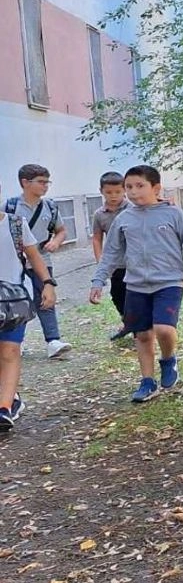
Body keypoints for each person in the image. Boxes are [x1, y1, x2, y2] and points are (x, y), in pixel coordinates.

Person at [90, 166, 183, 402]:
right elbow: (110, 253)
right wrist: (98, 280)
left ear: (156, 188)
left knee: (164, 329)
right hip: (135, 285)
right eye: (129, 187)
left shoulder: (174, 215)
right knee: (141, 335)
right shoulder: (124, 219)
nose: (133, 192)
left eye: (139, 186)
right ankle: (147, 381)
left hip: (169, 282)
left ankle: (168, 359)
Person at [0, 179, 57, 430]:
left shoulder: (15, 224)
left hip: (12, 300)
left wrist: (47, 284)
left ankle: (4, 408)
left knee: (10, 351)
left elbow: (34, 257)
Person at [4, 164, 71, 359]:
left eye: (47, 182)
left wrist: (56, 242)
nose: (45, 186)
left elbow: (61, 230)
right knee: (15, 300)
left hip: (42, 257)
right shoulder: (10, 206)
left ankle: (53, 340)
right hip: (15, 261)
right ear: (25, 182)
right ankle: (16, 341)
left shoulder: (50, 206)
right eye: (41, 182)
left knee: (46, 297)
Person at [90, 171, 131, 335]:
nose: (113, 196)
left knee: (135, 294)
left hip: (136, 260)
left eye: (118, 192)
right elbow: (97, 239)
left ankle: (139, 326)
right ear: (101, 191)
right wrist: (101, 261)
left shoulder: (133, 208)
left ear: (124, 191)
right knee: (117, 293)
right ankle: (127, 321)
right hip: (116, 262)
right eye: (108, 192)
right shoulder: (100, 214)